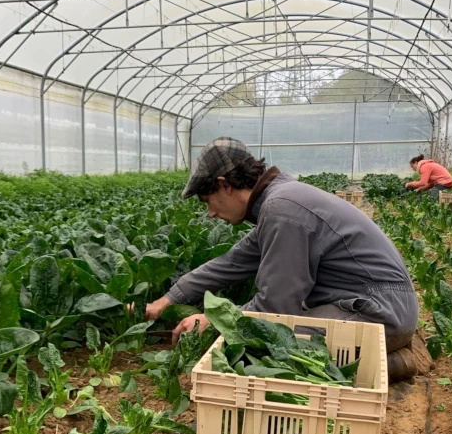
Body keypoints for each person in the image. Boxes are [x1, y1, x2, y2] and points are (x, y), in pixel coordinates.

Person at [145, 137, 424, 381]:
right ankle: (385, 351)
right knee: (264, 342)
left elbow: (276, 306)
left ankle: (394, 362)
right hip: (377, 304)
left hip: (379, 313)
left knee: (266, 354)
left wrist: (214, 321)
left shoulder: (282, 210)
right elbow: (231, 263)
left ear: (225, 185)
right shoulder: (279, 202)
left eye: (207, 201)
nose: (211, 213)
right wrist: (168, 300)